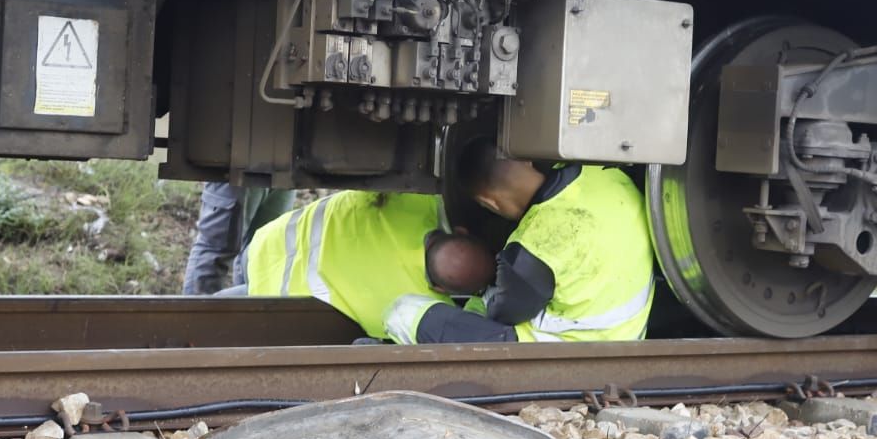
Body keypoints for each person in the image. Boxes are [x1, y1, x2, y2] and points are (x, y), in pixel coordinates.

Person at [384, 140, 654, 344]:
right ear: (526, 162)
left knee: (404, 312)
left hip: (575, 351)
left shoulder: (532, 249)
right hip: (630, 330)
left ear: (489, 202)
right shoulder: (601, 173)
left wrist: (483, 297)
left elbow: (503, 315)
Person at [244, 190, 494, 340]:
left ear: (460, 232)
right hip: (272, 286)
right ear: (440, 288)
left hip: (268, 238)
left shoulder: (418, 200)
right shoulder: (414, 304)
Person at [181, 182, 293, 295]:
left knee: (265, 257)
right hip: (236, 172)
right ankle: (196, 311)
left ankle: (245, 311)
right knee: (215, 251)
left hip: (286, 174)